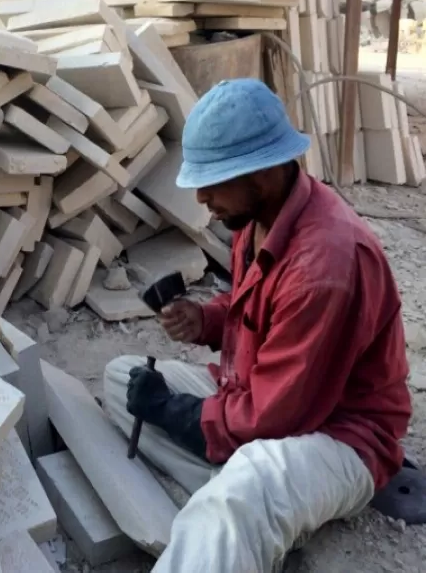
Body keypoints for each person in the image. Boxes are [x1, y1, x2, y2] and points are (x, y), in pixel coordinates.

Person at [103, 79, 411, 572]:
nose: (201, 196)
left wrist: (177, 413)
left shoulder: (325, 265)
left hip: (338, 434)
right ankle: (253, 523)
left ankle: (242, 513)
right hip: (262, 397)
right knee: (123, 377)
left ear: (263, 172)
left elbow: (277, 417)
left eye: (213, 180)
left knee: (244, 480)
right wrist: (205, 318)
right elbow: (258, 307)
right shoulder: (258, 221)